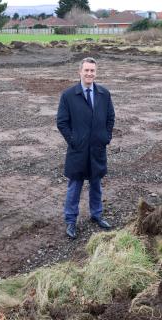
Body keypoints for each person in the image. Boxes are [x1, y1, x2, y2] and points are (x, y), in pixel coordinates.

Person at [57, 57, 115, 239]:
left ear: (95, 73)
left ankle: (96, 215)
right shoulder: (68, 95)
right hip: (78, 150)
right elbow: (62, 122)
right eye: (86, 70)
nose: (89, 74)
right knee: (75, 185)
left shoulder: (104, 94)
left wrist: (105, 137)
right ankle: (70, 221)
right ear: (79, 72)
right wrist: (74, 140)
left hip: (97, 148)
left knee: (96, 183)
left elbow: (110, 117)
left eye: (92, 71)